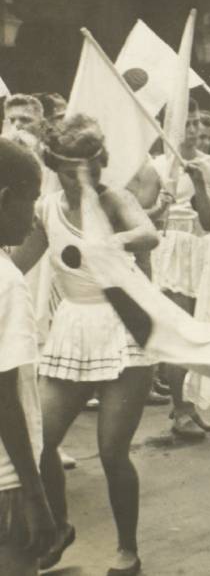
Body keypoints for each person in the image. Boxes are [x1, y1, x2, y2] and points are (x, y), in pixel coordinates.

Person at [13, 115, 163, 575]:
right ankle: (58, 527)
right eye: (73, 169)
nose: (85, 178)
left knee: (113, 450)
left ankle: (127, 549)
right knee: (41, 445)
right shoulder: (45, 209)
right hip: (72, 329)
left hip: (125, 328)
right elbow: (18, 264)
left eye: (93, 167)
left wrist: (112, 240)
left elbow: (148, 233)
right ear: (55, 168)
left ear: (102, 164)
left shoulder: (114, 198)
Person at [0, 139, 55, 576]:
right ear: (5, 199)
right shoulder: (7, 282)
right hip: (5, 477)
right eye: (31, 199)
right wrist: (35, 494)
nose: (34, 216)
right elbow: (4, 397)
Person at [148, 108, 210, 440]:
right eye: (183, 124)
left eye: (194, 124)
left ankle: (189, 404)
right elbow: (141, 216)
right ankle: (179, 408)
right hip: (169, 250)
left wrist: (201, 186)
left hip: (200, 248)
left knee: (197, 330)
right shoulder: (156, 166)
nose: (190, 130)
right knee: (179, 330)